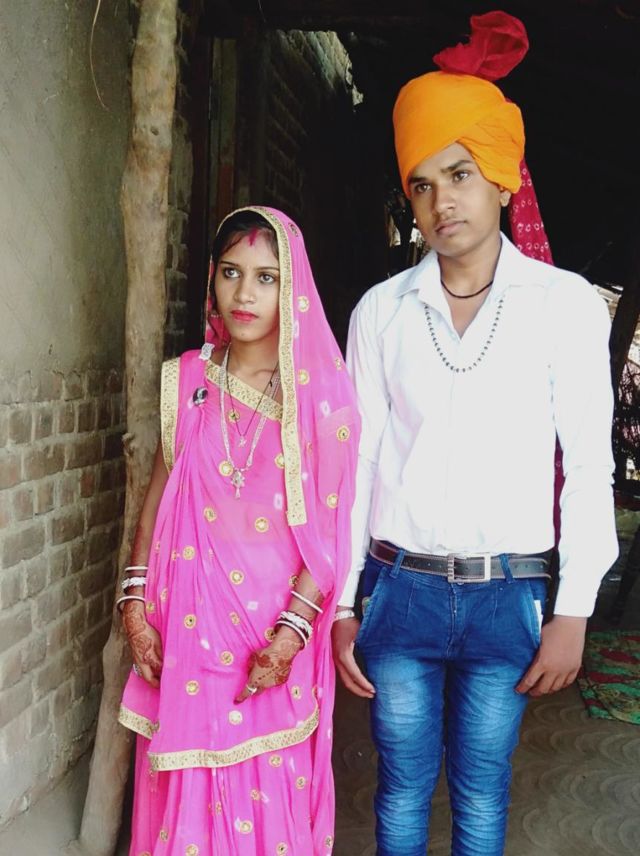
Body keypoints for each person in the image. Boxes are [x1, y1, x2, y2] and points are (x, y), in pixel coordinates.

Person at [331, 12, 618, 856]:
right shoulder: (381, 312)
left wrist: (574, 610)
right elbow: (358, 462)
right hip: (399, 590)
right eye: (421, 184)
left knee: (484, 791)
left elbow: (590, 465)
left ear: (501, 179)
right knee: (400, 788)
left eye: (459, 173)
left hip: (508, 595)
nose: (441, 201)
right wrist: (343, 603)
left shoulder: (564, 306)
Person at [118, 206, 360, 855]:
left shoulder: (322, 401)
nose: (245, 293)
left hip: (268, 640)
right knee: (186, 786)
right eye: (231, 272)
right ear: (212, 280)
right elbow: (158, 499)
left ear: (294, 288)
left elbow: (330, 533)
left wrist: (291, 633)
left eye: (266, 277)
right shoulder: (190, 381)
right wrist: (134, 605)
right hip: (185, 634)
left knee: (264, 794)